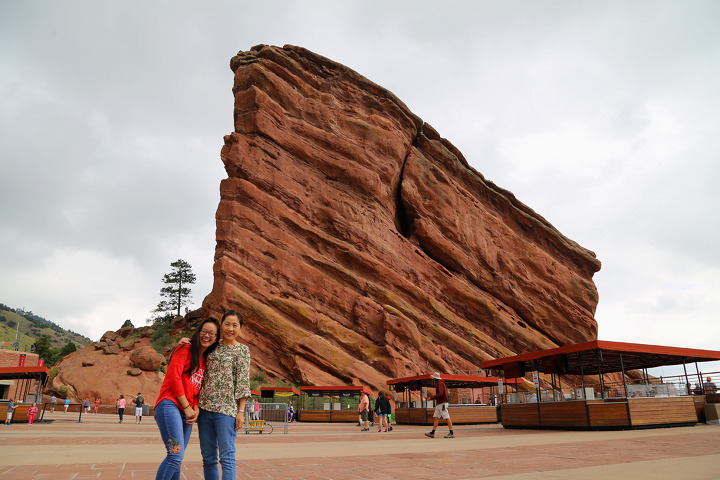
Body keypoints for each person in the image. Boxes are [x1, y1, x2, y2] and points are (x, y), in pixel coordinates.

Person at [154, 317, 219, 480]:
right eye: (204, 331)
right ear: (198, 332)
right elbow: (174, 379)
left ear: (216, 338)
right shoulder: (185, 348)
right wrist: (187, 407)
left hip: (187, 411)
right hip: (170, 404)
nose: (207, 335)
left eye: (211, 333)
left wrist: (195, 407)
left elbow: (196, 389)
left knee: (177, 457)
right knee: (175, 455)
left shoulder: (205, 360)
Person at [197, 310, 251, 480]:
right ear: (221, 325)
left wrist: (241, 411)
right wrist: (184, 341)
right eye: (227, 324)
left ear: (240, 328)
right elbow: (195, 349)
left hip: (227, 411)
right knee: (208, 458)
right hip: (205, 409)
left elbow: (242, 382)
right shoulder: (212, 346)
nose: (230, 328)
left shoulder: (242, 350)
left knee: (227, 457)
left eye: (235, 325)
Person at [424, 372, 454, 439]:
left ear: (435, 378)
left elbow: (440, 394)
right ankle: (432, 432)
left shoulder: (439, 383)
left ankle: (451, 433)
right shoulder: (441, 383)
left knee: (446, 417)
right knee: (436, 417)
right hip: (440, 403)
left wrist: (431, 398)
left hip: (442, 403)